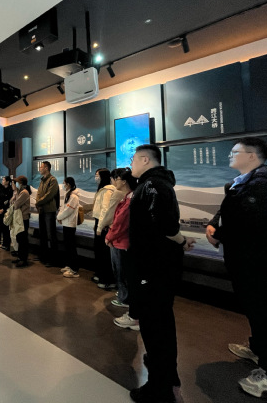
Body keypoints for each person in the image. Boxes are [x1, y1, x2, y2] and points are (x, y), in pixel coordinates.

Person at [206, 137, 267, 398]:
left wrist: (218, 234)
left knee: (261, 311)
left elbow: (247, 223)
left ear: (252, 156)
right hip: (245, 259)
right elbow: (229, 211)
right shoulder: (244, 183)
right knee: (254, 308)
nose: (230, 155)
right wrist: (215, 225)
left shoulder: (262, 185)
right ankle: (258, 350)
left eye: (235, 152)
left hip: (254, 260)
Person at [128, 144, 195, 403]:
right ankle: (166, 378)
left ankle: (161, 388)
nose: (131, 164)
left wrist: (180, 241)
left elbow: (164, 225)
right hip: (156, 266)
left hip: (153, 267)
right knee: (159, 324)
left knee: (156, 326)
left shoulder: (152, 185)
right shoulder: (156, 184)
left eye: (134, 159)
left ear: (145, 159)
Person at [105, 168, 139, 329]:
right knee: (121, 272)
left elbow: (120, 223)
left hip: (123, 243)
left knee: (124, 273)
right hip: (119, 241)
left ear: (124, 181)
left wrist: (109, 236)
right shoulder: (127, 197)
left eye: (116, 178)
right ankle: (126, 299)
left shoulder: (130, 200)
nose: (114, 181)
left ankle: (128, 302)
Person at [92, 168, 116, 290]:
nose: (96, 177)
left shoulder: (107, 191)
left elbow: (105, 210)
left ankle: (107, 280)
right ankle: (100, 274)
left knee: (104, 253)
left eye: (98, 175)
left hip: (103, 224)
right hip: (99, 222)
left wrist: (100, 227)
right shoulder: (102, 190)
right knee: (99, 251)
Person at [35, 161, 59, 267]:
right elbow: (39, 193)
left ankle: (53, 259)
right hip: (42, 210)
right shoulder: (42, 180)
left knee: (51, 235)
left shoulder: (53, 180)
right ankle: (43, 256)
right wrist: (38, 202)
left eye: (41, 167)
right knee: (43, 234)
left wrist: (38, 202)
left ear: (46, 168)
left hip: (49, 211)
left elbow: (50, 195)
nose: (40, 169)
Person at [56, 176, 80, 278]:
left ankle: (74, 269)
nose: (63, 185)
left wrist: (59, 217)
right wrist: (59, 216)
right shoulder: (68, 194)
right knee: (67, 246)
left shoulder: (74, 197)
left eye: (64, 183)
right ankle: (69, 265)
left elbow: (68, 210)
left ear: (68, 184)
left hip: (70, 224)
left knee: (71, 247)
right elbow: (63, 208)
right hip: (66, 223)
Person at [11, 176, 31, 267]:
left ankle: (23, 259)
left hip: (23, 218)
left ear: (21, 183)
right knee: (19, 238)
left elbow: (16, 205)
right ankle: (20, 257)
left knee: (23, 239)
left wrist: (13, 202)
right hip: (19, 218)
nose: (15, 184)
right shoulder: (20, 192)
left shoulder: (24, 193)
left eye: (17, 182)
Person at [0, 176, 13, 250]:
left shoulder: (10, 190)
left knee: (6, 228)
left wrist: (3, 209)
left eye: (3, 180)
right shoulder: (1, 189)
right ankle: (3, 243)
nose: (2, 181)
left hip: (7, 211)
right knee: (1, 227)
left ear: (7, 182)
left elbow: (9, 201)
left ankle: (7, 244)